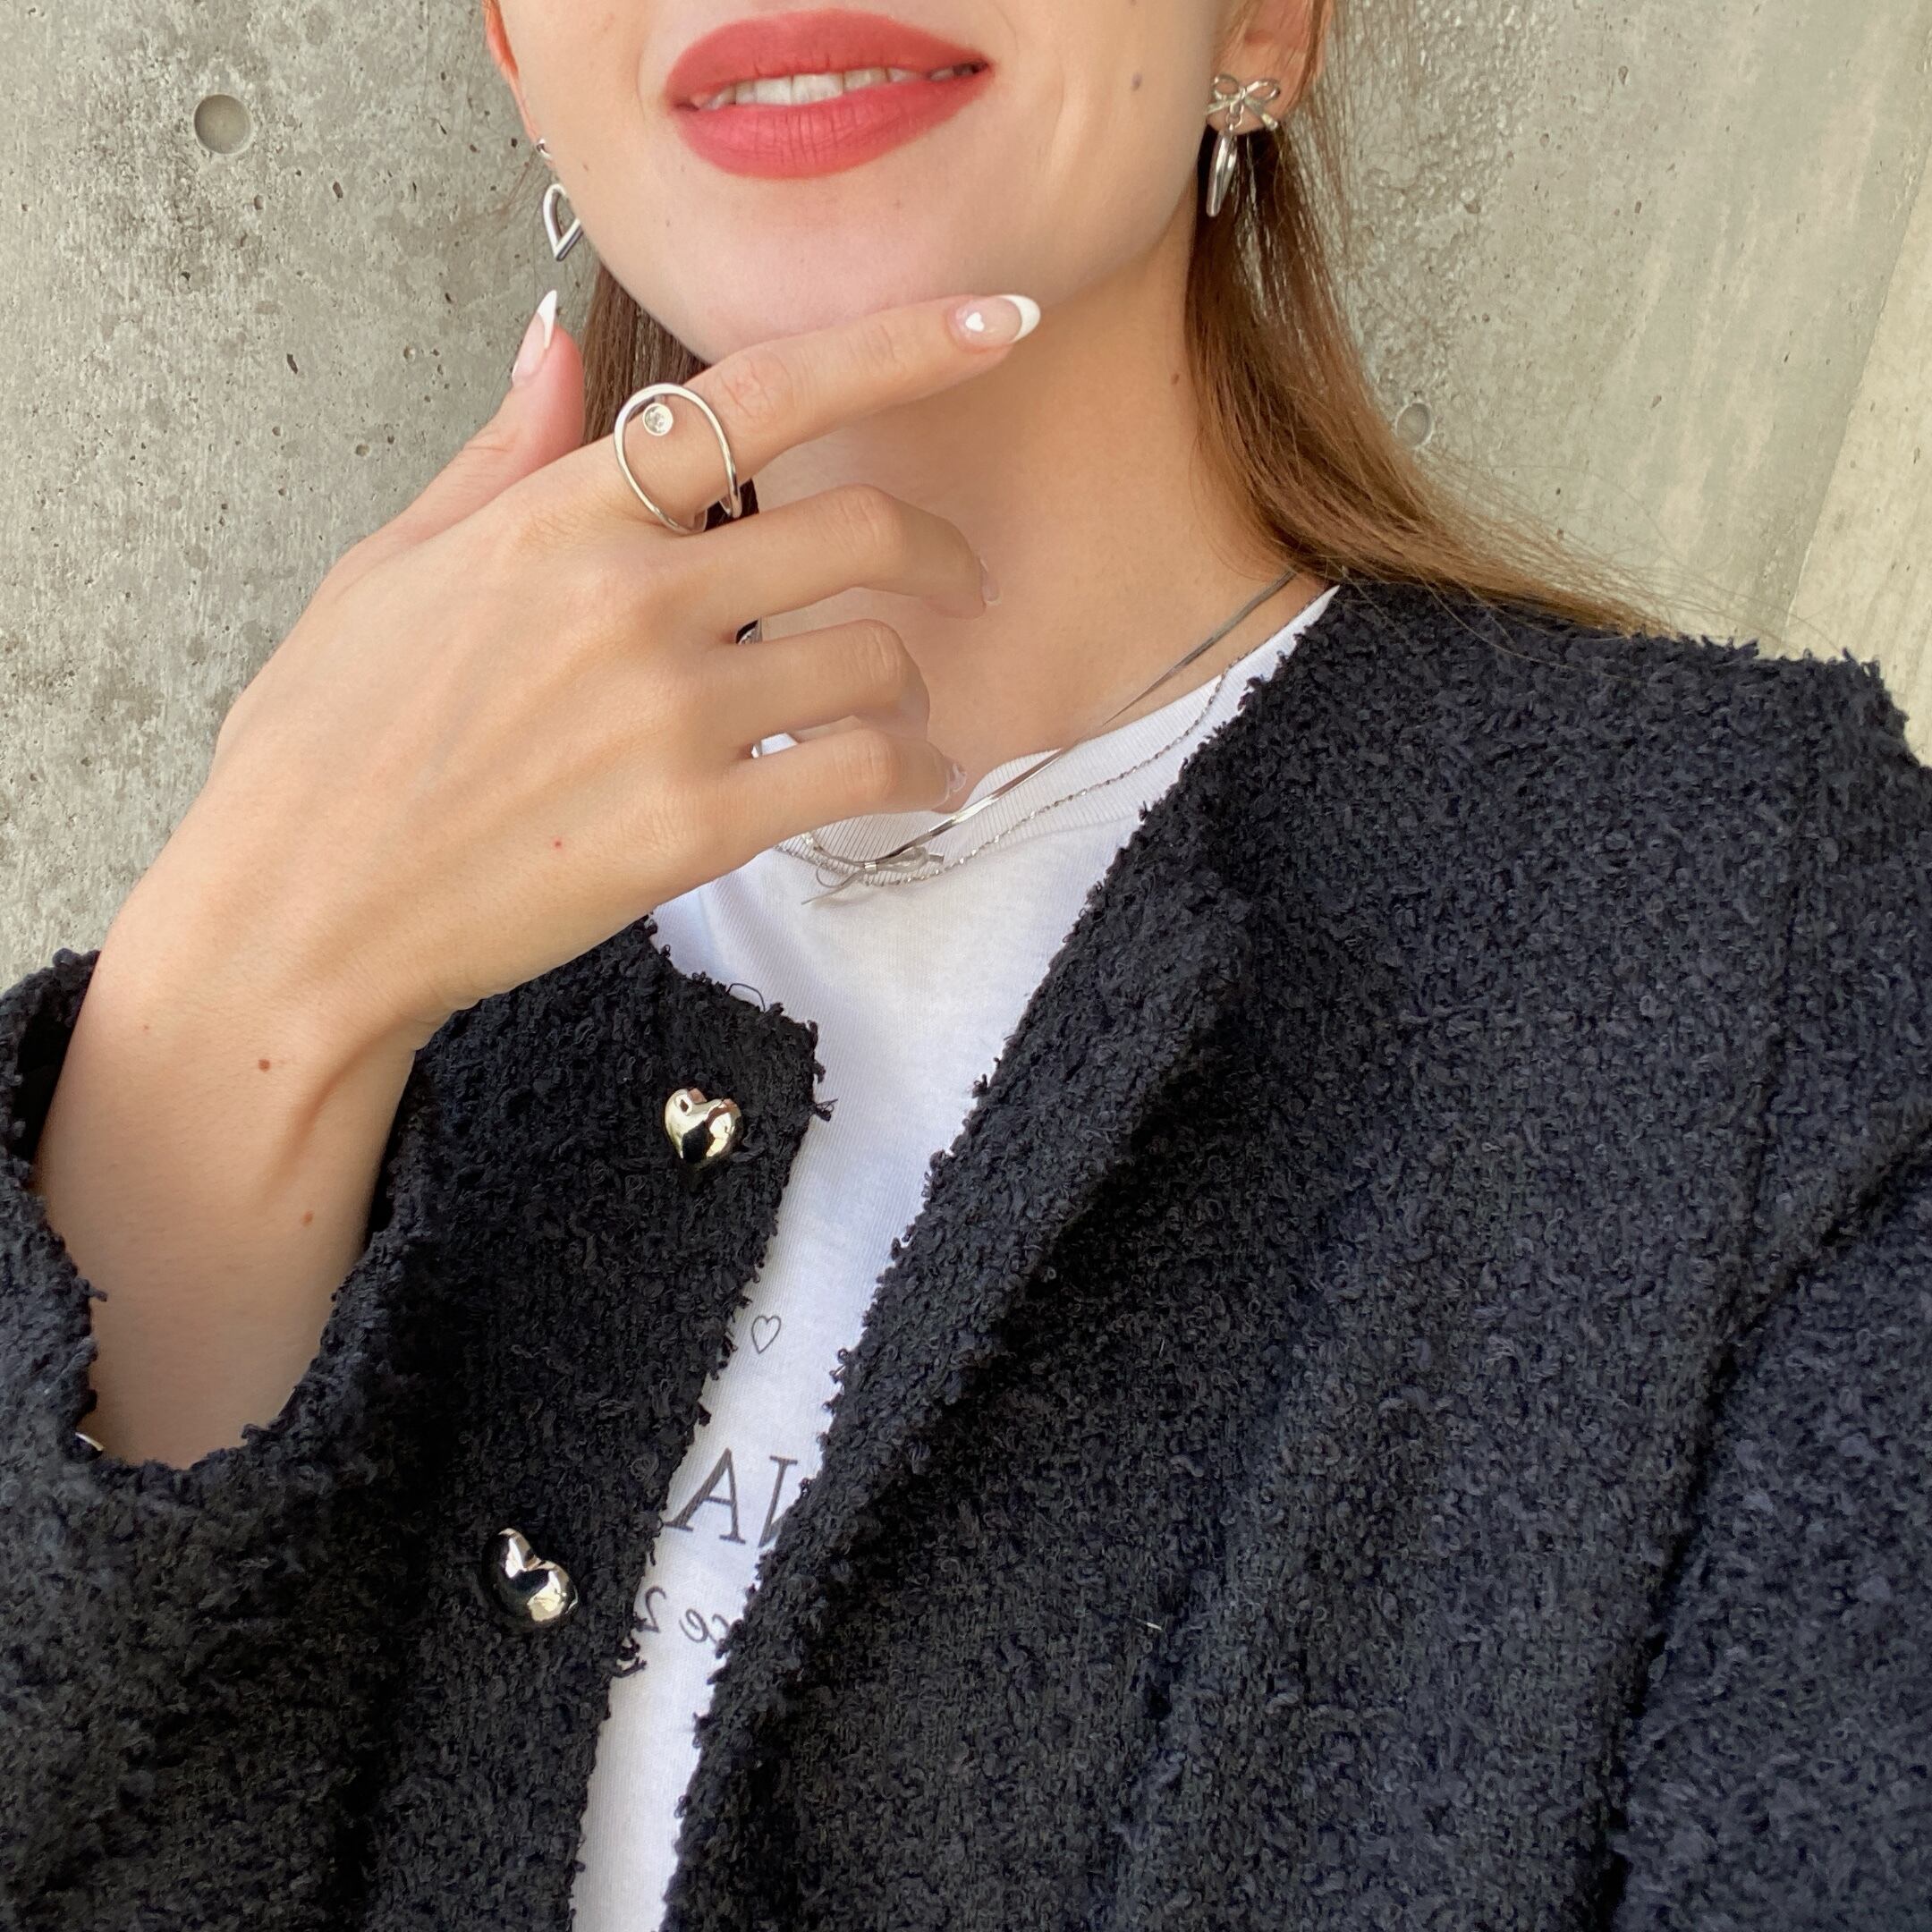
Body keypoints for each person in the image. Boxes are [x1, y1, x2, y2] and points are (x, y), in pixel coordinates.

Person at [2, 0, 1928, 1926]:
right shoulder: (341, 928)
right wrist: (240, 992)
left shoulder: (1761, 964)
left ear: (1265, 17)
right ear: (516, 44)